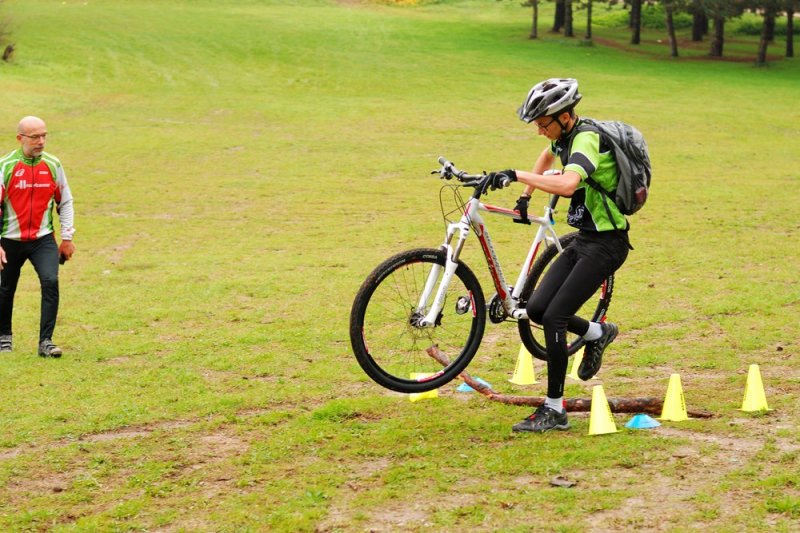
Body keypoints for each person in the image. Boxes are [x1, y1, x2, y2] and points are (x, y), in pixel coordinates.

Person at [480, 78, 630, 433]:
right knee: (534, 309)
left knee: (554, 318)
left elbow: (567, 184)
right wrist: (526, 193)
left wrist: (516, 175)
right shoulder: (562, 137)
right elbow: (549, 156)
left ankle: (554, 409)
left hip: (607, 244)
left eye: (542, 124)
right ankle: (597, 333)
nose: (539, 131)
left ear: (563, 116)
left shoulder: (586, 139)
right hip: (582, 240)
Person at [0, 116, 75, 358]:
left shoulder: (53, 164)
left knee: (51, 281)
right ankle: (4, 336)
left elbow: (65, 200)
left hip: (42, 239)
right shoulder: (6, 166)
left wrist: (67, 237)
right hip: (9, 240)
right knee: (5, 288)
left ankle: (46, 342)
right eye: (35, 137)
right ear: (20, 138)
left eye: (44, 136)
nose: (41, 141)